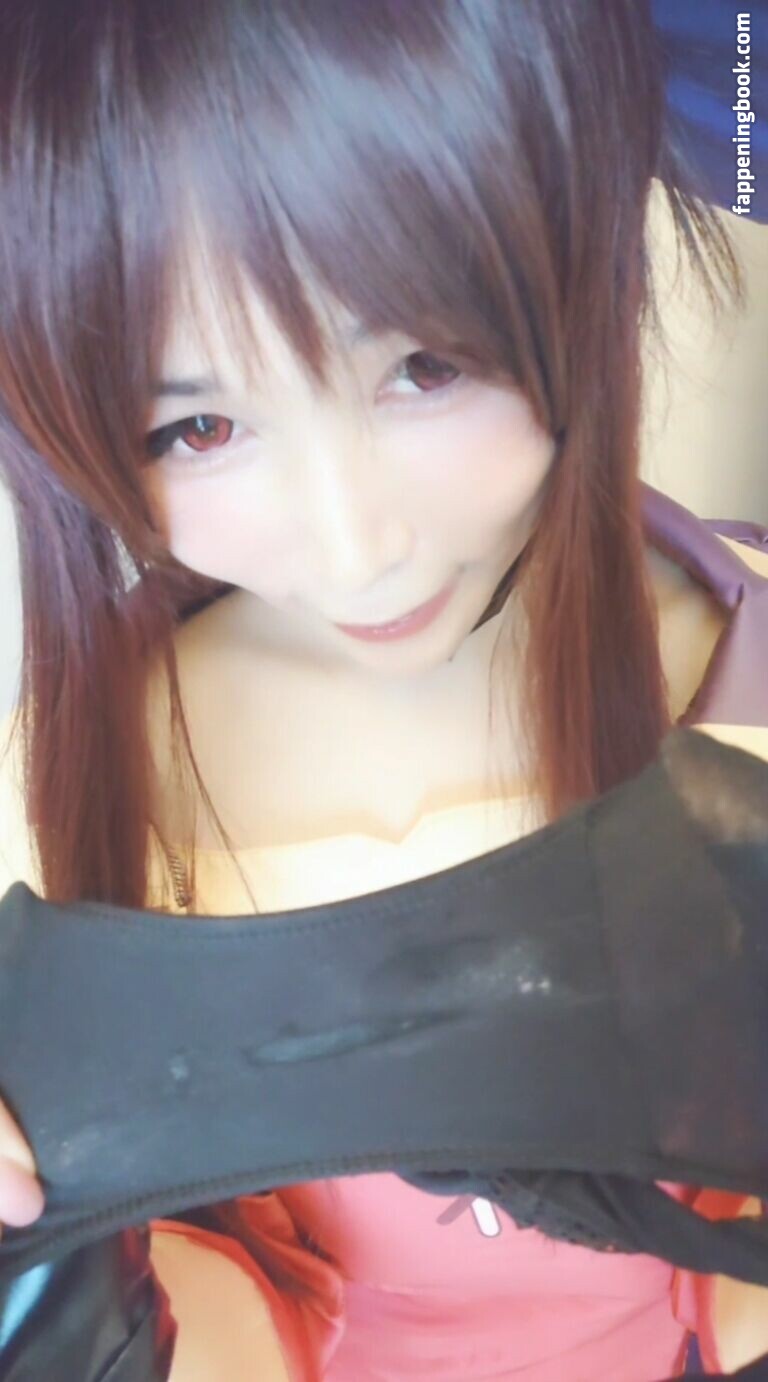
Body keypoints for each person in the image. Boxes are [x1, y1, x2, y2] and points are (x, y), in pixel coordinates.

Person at [0, 1, 766, 1378]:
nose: (357, 549)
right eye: (201, 426)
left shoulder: (743, 689)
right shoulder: (107, 765)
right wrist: (51, 1273)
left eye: (425, 365)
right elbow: (247, 1316)